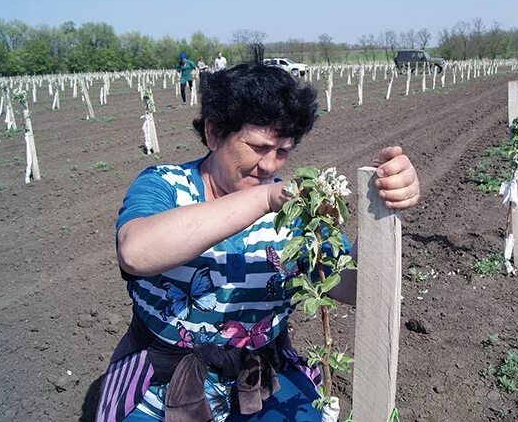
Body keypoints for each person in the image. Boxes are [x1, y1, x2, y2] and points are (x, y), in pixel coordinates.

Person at [95, 60, 420, 421]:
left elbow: (350, 287)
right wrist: (263, 200)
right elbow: (136, 252)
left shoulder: (296, 209)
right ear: (214, 133)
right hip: (165, 383)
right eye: (258, 147)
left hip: (261, 380)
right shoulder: (165, 185)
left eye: (283, 152)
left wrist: (383, 207)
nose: (270, 166)